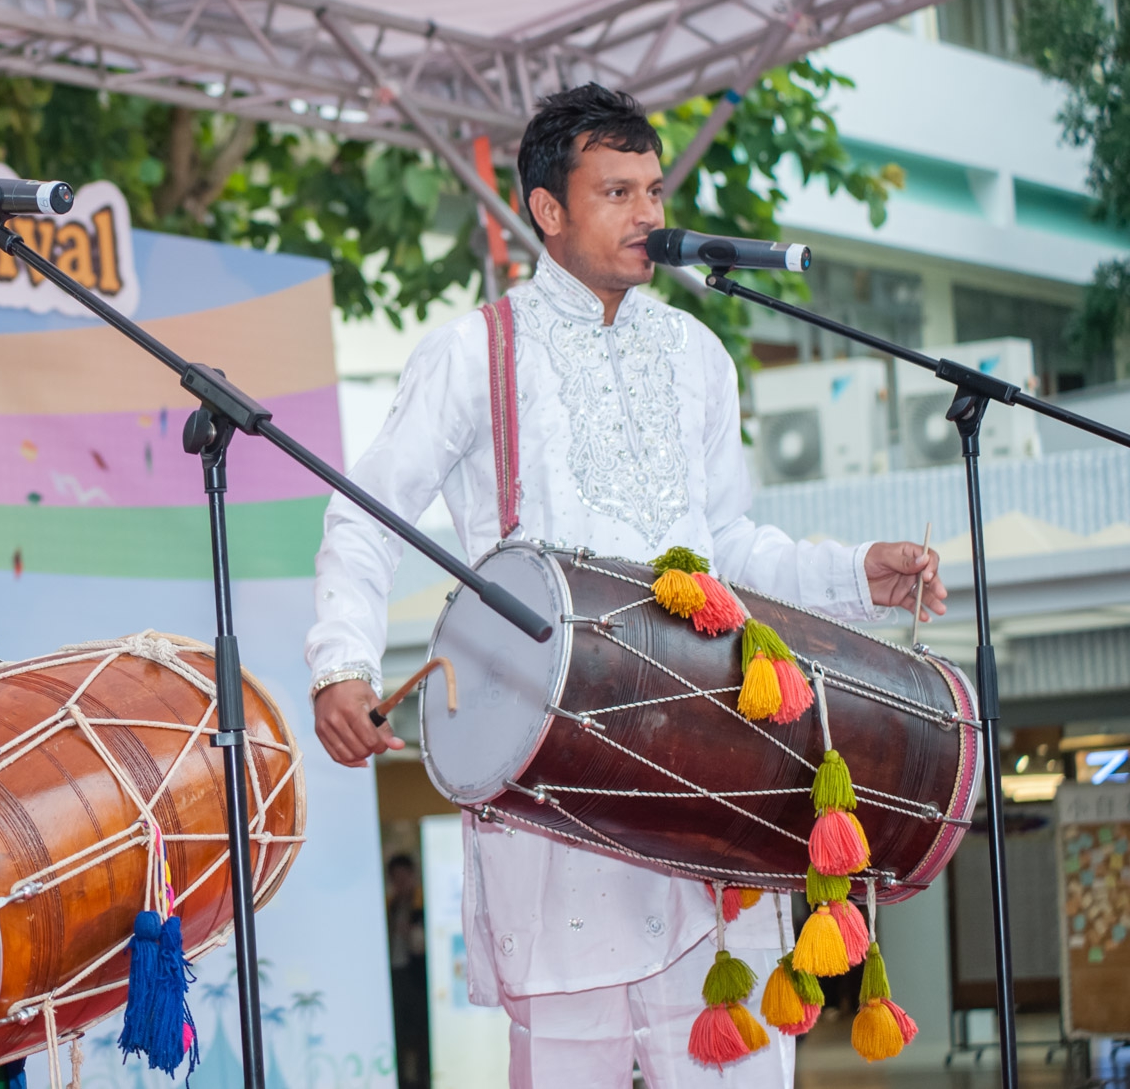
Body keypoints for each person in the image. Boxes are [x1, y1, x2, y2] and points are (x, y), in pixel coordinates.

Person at [305, 84, 946, 1089]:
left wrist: (853, 574)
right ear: (549, 211)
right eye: (618, 192)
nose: (651, 214)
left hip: (712, 782)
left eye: (653, 189)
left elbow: (731, 544)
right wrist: (341, 664)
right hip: (559, 788)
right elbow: (363, 512)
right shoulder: (475, 352)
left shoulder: (696, 354)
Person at [385, 853, 430, 1089]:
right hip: (395, 973)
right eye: (395, 878)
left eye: (404, 877)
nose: (400, 882)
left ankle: (424, 1077)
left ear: (412, 876)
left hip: (416, 975)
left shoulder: (422, 904)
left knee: (421, 1030)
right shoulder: (391, 905)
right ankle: (403, 1079)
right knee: (400, 1030)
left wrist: (412, 931)